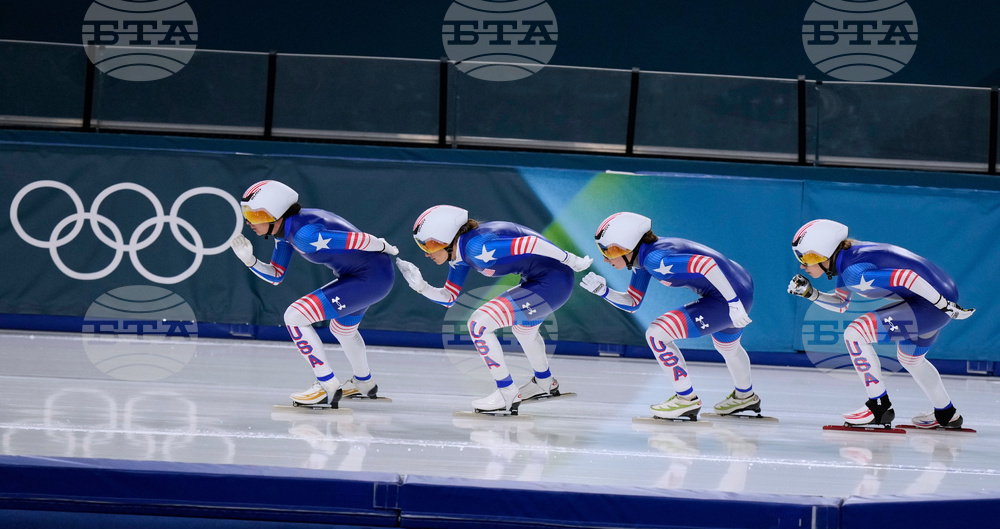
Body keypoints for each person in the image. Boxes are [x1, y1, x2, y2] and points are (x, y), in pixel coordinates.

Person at [395, 205, 592, 414]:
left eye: (430, 245)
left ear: (447, 238)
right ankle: (545, 382)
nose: (427, 254)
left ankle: (506, 393)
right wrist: (421, 287)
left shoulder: (476, 248)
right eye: (422, 246)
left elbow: (531, 243)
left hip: (552, 282)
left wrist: (571, 259)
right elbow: (449, 298)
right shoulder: (461, 253)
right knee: (524, 331)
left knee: (478, 324)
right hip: (545, 281)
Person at [787, 218, 975, 429]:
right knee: (911, 359)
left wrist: (945, 305)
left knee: (855, 333)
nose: (803, 265)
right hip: (933, 300)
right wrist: (811, 293)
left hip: (931, 304)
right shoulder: (847, 259)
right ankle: (946, 413)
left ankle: (879, 406)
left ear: (825, 252)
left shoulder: (852, 271)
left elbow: (907, 277)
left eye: (807, 257)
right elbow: (841, 303)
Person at [229, 180, 398, 407]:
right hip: (370, 277)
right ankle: (363, 382)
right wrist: (250, 261)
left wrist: (383, 246)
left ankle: (327, 384)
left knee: (295, 316)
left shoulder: (304, 235)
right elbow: (276, 275)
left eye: (257, 216)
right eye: (247, 214)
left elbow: (359, 240)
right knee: (342, 329)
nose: (250, 222)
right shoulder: (286, 231)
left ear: (277, 213)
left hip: (370, 278)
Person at [579, 212, 758, 421]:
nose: (605, 258)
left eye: (610, 251)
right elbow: (633, 303)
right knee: (728, 347)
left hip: (729, 298)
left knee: (656, 334)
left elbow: (707, 265)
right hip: (740, 288)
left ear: (627, 246)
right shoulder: (644, 258)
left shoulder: (656, 259)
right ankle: (745, 395)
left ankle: (686, 399)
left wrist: (733, 304)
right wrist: (604, 291)